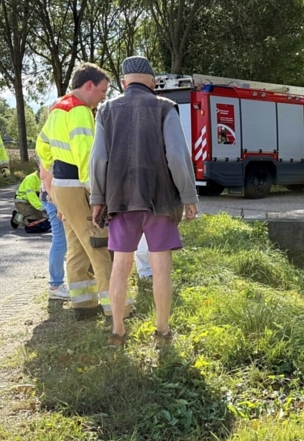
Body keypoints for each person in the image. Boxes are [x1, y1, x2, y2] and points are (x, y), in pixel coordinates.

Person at [89, 56, 199, 347]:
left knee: (121, 265)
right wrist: (188, 196)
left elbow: (98, 159)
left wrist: (97, 199)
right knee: (161, 265)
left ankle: (117, 330)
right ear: (152, 82)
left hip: (120, 199)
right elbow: (176, 156)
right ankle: (162, 332)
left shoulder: (106, 109)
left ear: (124, 83)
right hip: (159, 199)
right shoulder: (164, 107)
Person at [36, 63, 124, 320]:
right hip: (78, 187)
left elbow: (42, 146)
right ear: (88, 85)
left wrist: (50, 179)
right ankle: (118, 309)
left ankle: (84, 306)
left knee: (76, 248)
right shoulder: (79, 110)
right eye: (102, 91)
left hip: (63, 187)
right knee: (100, 246)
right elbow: (88, 157)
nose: (103, 98)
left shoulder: (58, 108)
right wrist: (97, 193)